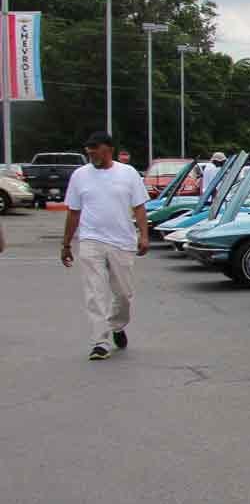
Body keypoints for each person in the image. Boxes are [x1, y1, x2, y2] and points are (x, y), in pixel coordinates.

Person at [60, 132, 150, 360]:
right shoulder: (80, 176)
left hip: (122, 241)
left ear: (108, 149)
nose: (91, 156)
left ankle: (117, 325)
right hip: (91, 240)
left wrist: (144, 235)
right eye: (88, 153)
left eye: (95, 152)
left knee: (124, 295)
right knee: (95, 293)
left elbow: (139, 207)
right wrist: (66, 244)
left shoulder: (128, 173)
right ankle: (100, 342)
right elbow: (73, 212)